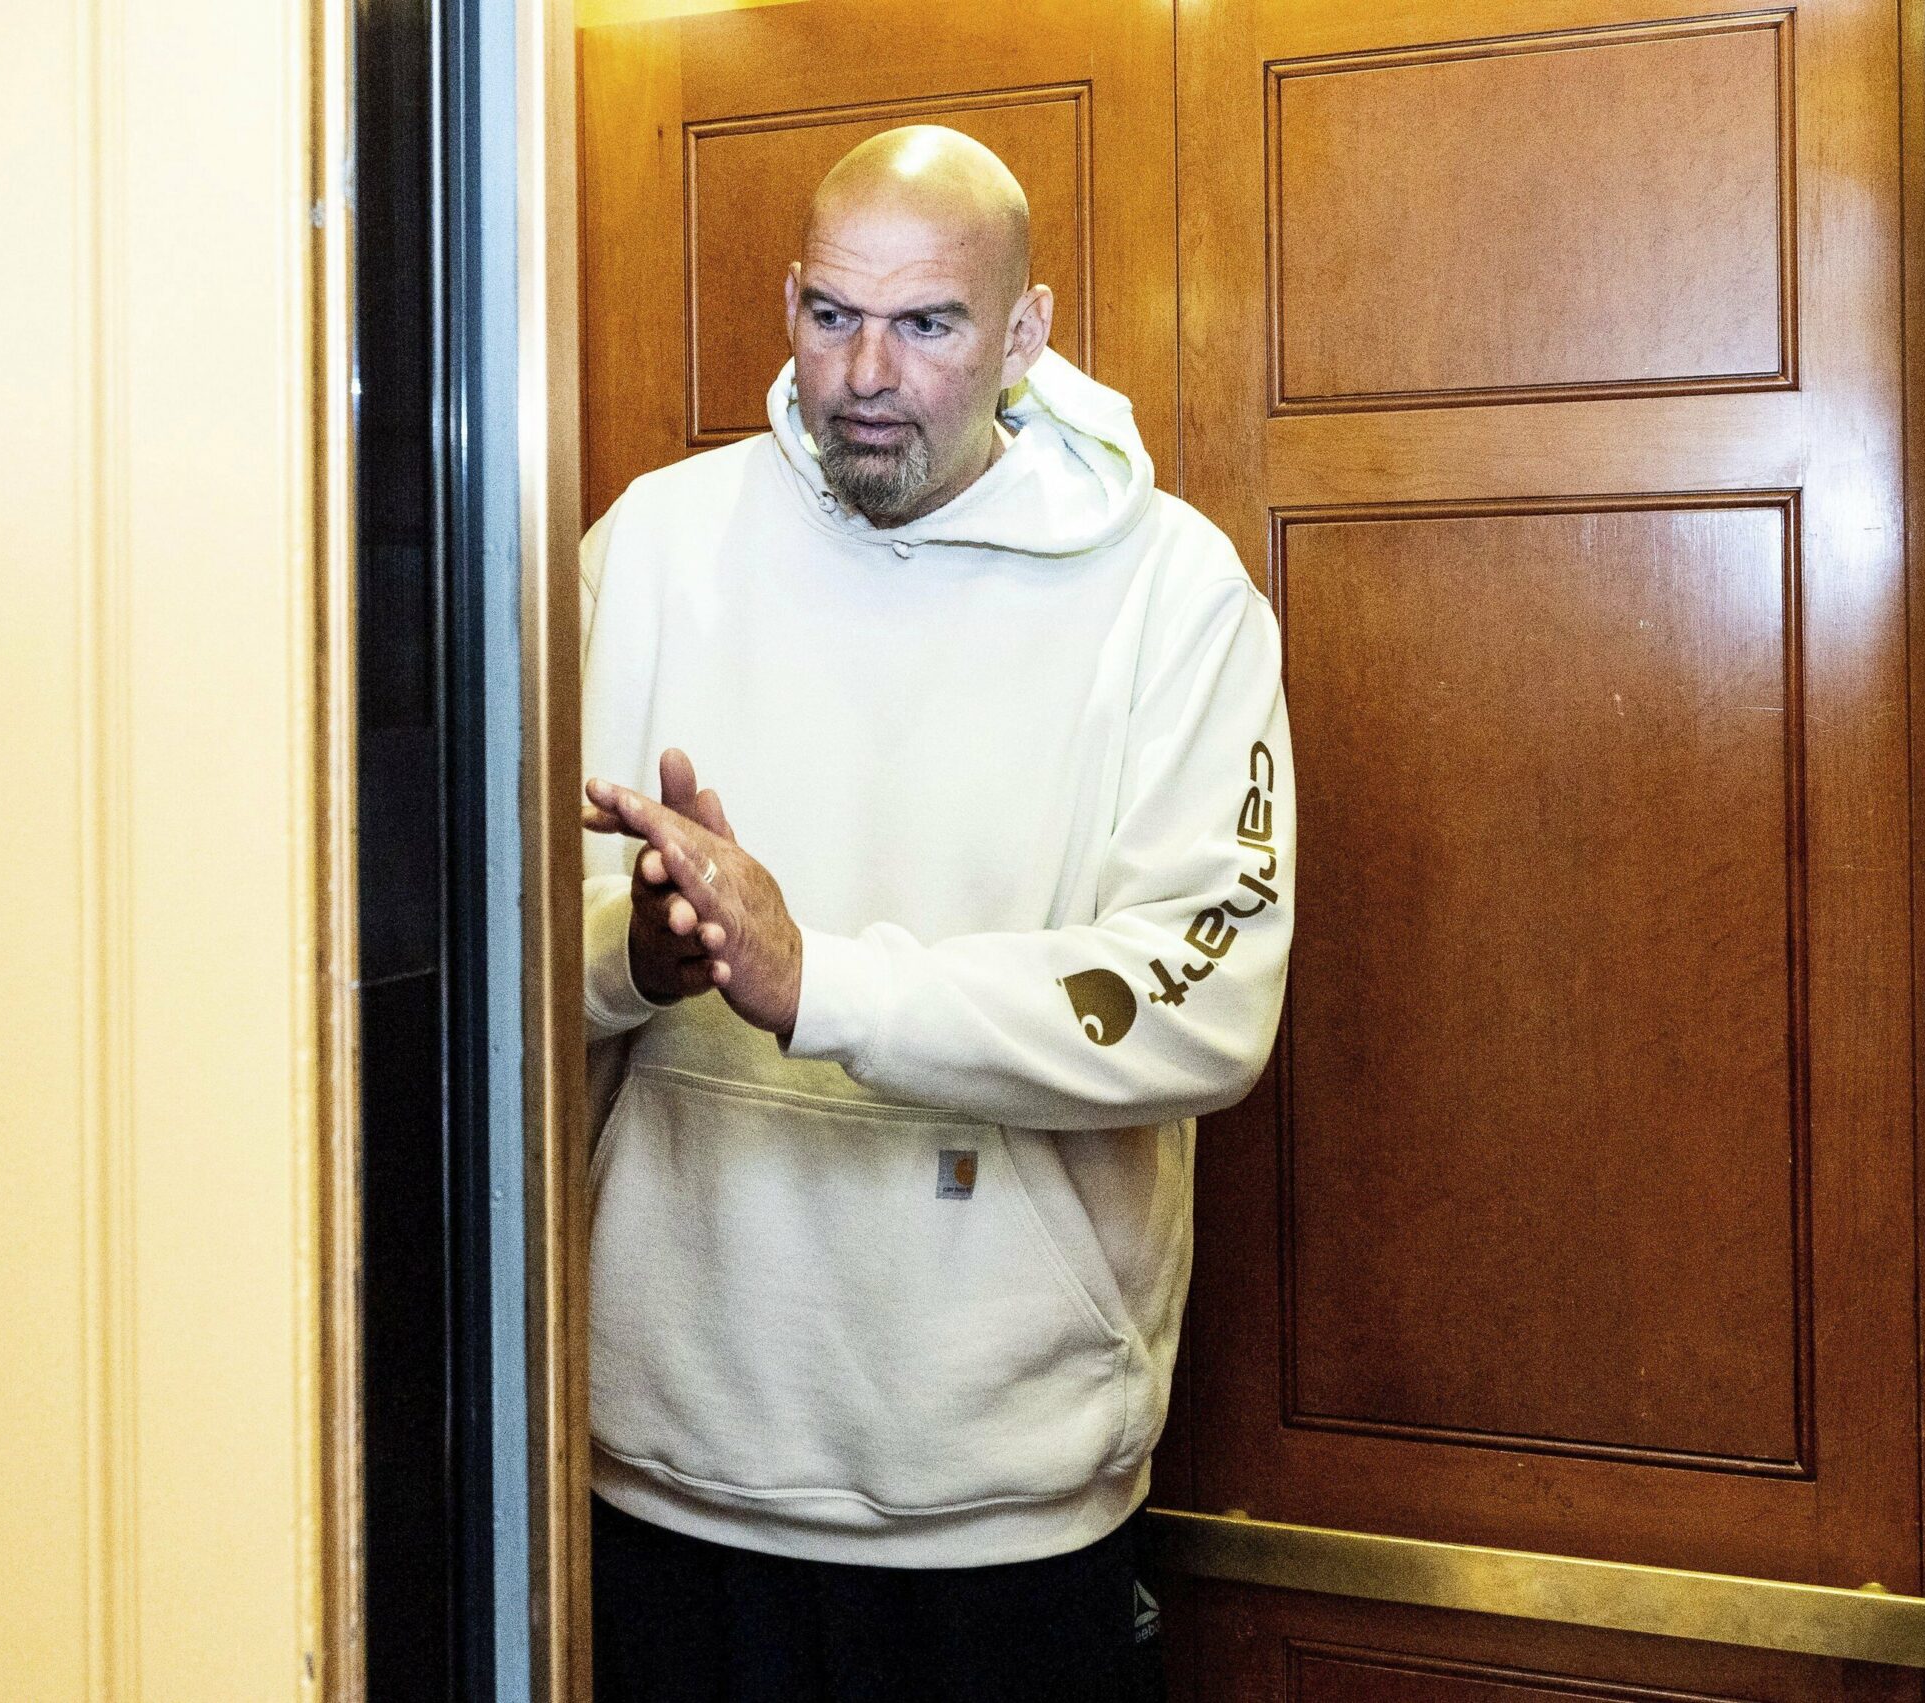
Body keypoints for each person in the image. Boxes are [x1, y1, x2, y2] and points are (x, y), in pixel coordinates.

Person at [577, 124, 1294, 1702]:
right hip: (667, 1469)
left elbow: (1203, 995)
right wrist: (631, 957)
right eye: (832, 315)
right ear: (787, 305)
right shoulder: (652, 550)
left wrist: (817, 983)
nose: (866, 374)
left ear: (1025, 332)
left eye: (928, 323)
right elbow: (495, 937)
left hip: (1004, 1508)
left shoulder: (1171, 598)